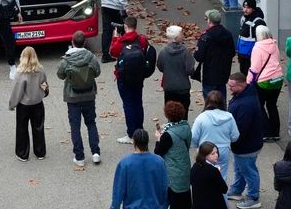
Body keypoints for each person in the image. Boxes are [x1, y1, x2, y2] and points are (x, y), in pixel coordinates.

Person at [57, 30, 102, 167]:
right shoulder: (91, 57)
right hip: (89, 95)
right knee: (91, 123)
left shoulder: (66, 59)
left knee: (75, 127)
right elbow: (98, 72)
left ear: (72, 42)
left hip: (73, 97)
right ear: (85, 42)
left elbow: (60, 75)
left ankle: (79, 156)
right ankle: (95, 153)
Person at [109, 129, 169, 209]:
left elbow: (118, 190)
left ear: (134, 141)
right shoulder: (159, 161)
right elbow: (164, 188)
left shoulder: (125, 163)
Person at [109, 16, 149, 144]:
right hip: (138, 77)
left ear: (125, 27)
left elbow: (113, 52)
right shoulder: (142, 40)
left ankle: (131, 134)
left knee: (128, 104)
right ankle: (140, 130)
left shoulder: (120, 42)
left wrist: (115, 36)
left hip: (124, 78)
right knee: (138, 103)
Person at [226, 73, 264, 209]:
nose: (229, 88)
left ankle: (253, 197)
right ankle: (236, 190)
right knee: (239, 168)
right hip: (245, 144)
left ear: (241, 85)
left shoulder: (245, 105)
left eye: (232, 86)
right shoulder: (244, 95)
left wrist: (230, 139)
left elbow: (240, 130)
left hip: (247, 146)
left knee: (249, 171)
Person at [8, 46, 48, 162]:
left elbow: (17, 91)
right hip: (38, 103)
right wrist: (44, 93)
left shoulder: (20, 73)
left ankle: (23, 153)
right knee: (38, 128)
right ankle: (40, 152)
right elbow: (44, 84)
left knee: (22, 129)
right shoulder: (40, 70)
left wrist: (12, 104)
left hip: (24, 105)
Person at [154, 101, 193, 209]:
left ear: (167, 115)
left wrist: (158, 139)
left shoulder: (167, 136)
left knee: (164, 202)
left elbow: (158, 153)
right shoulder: (186, 127)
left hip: (171, 174)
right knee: (184, 204)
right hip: (184, 170)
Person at [190, 90, 239, 182]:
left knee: (205, 178)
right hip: (223, 149)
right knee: (222, 177)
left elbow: (194, 137)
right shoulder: (229, 117)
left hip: (205, 150)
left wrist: (196, 146)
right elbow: (235, 136)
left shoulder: (201, 117)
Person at [247, 25, 284, 142]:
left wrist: (248, 81)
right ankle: (275, 132)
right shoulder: (274, 44)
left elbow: (255, 68)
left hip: (264, 81)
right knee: (272, 106)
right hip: (278, 79)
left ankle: (266, 132)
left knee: (260, 106)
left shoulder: (257, 47)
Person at [193, 9, 236, 104]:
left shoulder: (205, 37)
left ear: (209, 20)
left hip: (210, 75)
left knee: (210, 102)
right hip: (223, 74)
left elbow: (199, 57)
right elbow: (232, 52)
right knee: (221, 100)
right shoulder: (227, 34)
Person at [156, 25, 197, 114]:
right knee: (183, 113)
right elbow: (190, 70)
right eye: (181, 34)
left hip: (169, 87)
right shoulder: (186, 52)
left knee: (171, 113)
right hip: (183, 87)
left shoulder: (163, 52)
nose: (183, 35)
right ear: (177, 37)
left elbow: (160, 66)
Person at [190, 142, 229, 209]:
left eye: (216, 152)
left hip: (198, 208)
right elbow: (224, 189)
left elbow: (192, 181)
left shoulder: (195, 166)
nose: (216, 155)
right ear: (205, 155)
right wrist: (217, 173)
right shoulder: (213, 170)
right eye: (212, 154)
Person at [237, 0, 266, 75]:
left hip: (251, 55)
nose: (245, 10)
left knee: (250, 77)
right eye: (244, 7)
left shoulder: (258, 21)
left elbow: (263, 41)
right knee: (243, 74)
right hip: (243, 54)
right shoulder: (244, 18)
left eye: (248, 8)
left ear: (253, 9)